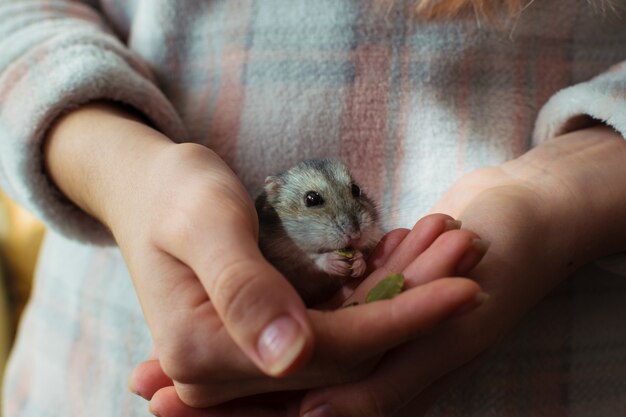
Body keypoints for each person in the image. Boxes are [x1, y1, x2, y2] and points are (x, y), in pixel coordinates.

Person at [2, 1, 626, 416]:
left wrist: (565, 192)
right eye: (315, 203)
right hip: (96, 369)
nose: (353, 219)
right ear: (276, 200)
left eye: (353, 201)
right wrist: (124, 172)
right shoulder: (274, 229)